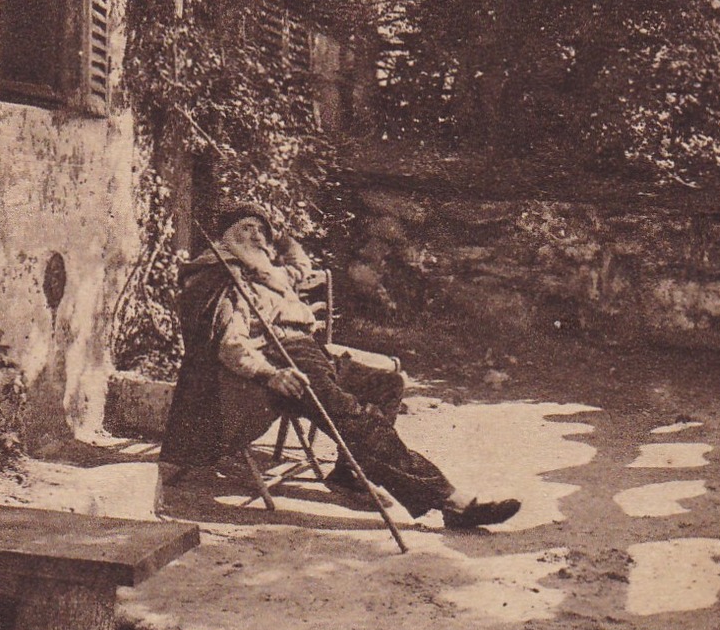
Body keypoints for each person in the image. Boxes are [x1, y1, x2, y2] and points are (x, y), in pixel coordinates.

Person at [159, 203, 521, 529]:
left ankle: (350, 474)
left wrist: (280, 235)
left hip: (312, 352)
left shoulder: (272, 271)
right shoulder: (225, 273)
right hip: (281, 359)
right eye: (245, 228)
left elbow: (300, 264)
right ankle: (448, 499)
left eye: (261, 229)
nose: (255, 235)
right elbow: (229, 344)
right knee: (357, 417)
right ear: (226, 238)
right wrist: (272, 375)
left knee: (388, 384)